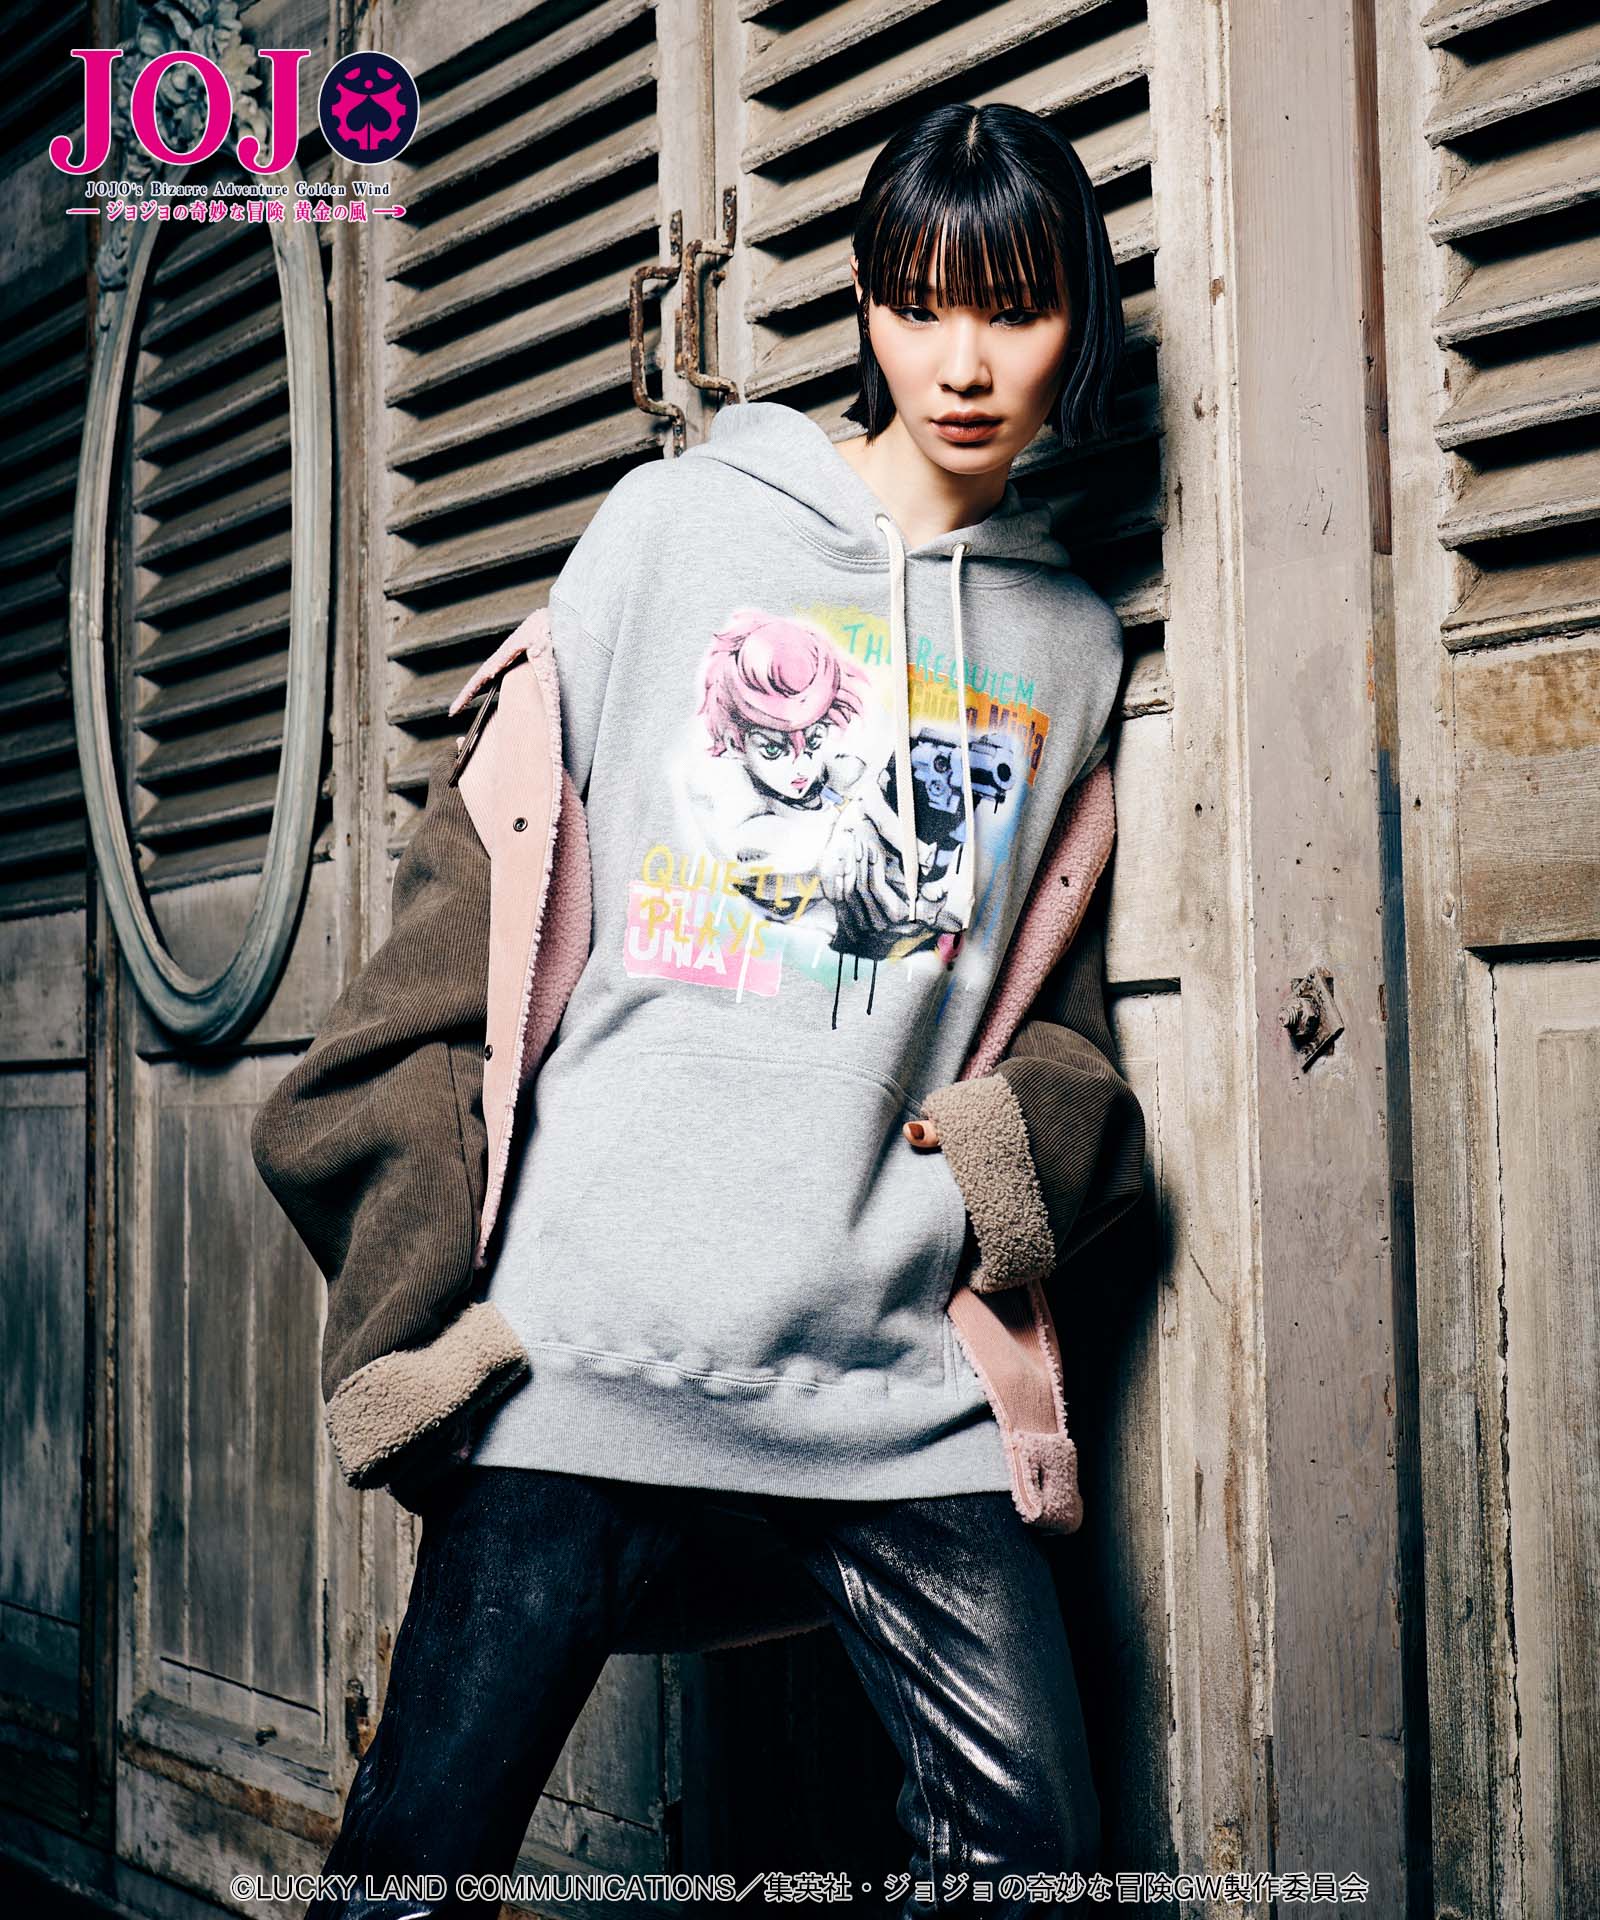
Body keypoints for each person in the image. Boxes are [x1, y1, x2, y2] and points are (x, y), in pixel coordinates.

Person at [266, 99, 1143, 1918]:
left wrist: (978, 1185)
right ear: (865, 304)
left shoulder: (1069, 643)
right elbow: (471, 909)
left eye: (1014, 309)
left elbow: (1045, 1020)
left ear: (1081, 323)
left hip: (888, 1370)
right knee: (408, 1876)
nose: (961, 363)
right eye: (918, 302)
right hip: (586, 1347)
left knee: (1037, 1862)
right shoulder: (671, 527)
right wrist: (430, 1301)